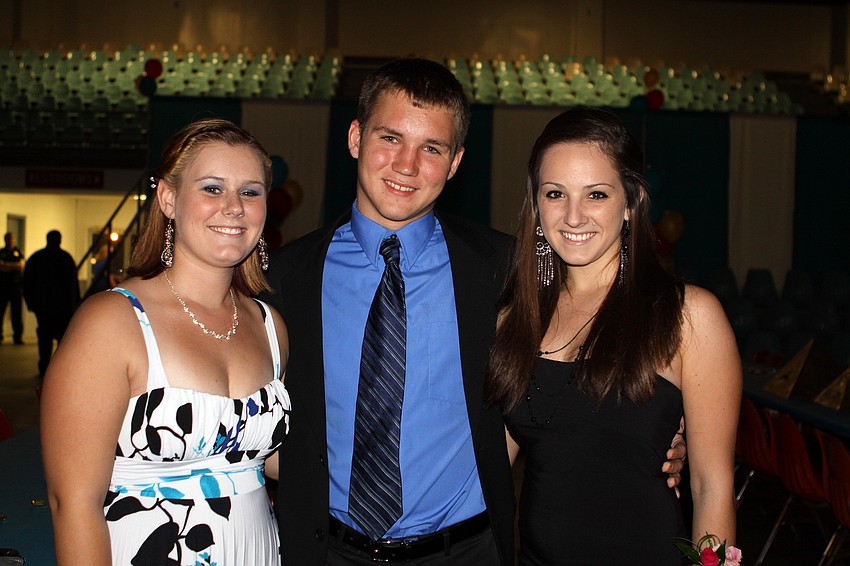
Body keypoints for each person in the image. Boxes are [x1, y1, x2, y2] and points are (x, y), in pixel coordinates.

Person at [264, 59, 686, 565]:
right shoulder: (284, 276)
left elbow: (593, 342)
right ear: (355, 138)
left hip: (468, 553)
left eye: (432, 149)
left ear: (457, 161)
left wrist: (658, 432)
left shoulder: (511, 270)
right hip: (327, 550)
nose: (406, 164)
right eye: (390, 138)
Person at [486, 106, 741, 564]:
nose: (574, 215)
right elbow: (489, 467)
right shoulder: (514, 319)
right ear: (536, 203)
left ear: (630, 202)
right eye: (555, 193)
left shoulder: (689, 316)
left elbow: (711, 487)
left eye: (597, 194)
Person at [41, 118, 291, 565]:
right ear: (168, 198)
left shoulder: (270, 326)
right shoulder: (112, 322)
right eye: (212, 188)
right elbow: (73, 505)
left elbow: (262, 455)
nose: (234, 207)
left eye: (250, 192)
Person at [22, 230, 79, 375]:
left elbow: (27, 283)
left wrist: (31, 303)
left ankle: (44, 367)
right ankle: (59, 368)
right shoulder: (65, 258)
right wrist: (75, 304)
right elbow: (73, 285)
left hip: (44, 307)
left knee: (44, 337)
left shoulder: (37, 258)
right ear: (59, 240)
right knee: (62, 338)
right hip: (62, 307)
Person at [0, 231, 25, 344]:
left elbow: (21, 265)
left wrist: (7, 265)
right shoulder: (2, 252)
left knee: (17, 313)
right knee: (1, 312)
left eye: (12, 239)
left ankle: (18, 336)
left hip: (16, 287)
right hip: (3, 286)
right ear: (5, 240)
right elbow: (1, 268)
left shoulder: (17, 252)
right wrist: (13, 266)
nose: (10, 241)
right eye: (8, 239)